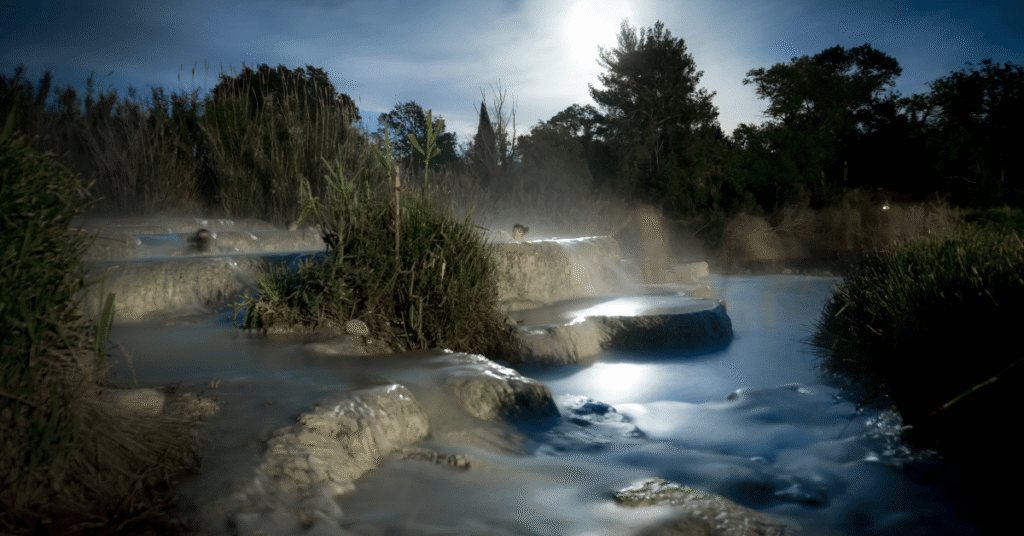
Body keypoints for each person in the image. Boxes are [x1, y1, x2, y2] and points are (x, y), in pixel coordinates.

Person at [610, 201, 668, 284]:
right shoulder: (654, 213)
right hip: (659, 242)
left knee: (646, 271)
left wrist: (608, 235)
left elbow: (621, 226)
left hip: (648, 243)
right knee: (657, 272)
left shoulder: (635, 213)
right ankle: (658, 290)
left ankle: (650, 288)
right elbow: (663, 230)